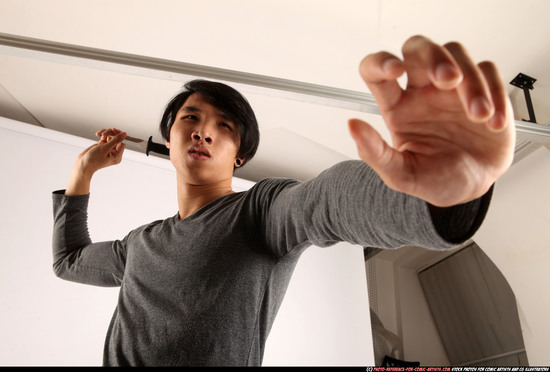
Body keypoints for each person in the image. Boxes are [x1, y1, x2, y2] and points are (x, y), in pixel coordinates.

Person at [51, 36, 515, 366]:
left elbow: (324, 205)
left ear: (240, 156)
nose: (203, 129)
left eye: (224, 126)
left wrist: (432, 194)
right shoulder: (138, 244)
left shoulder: (259, 212)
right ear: (169, 138)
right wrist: (82, 172)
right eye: (190, 117)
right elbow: (68, 261)